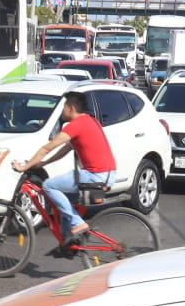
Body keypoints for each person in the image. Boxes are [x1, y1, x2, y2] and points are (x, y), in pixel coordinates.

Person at [9, 90, 116, 240]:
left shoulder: (76, 125)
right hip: (108, 174)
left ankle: (77, 223)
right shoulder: (91, 121)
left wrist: (24, 167)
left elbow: (47, 148)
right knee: (62, 200)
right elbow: (66, 148)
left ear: (71, 108)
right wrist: (44, 163)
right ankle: (68, 240)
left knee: (48, 186)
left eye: (64, 107)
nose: (62, 111)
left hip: (94, 175)